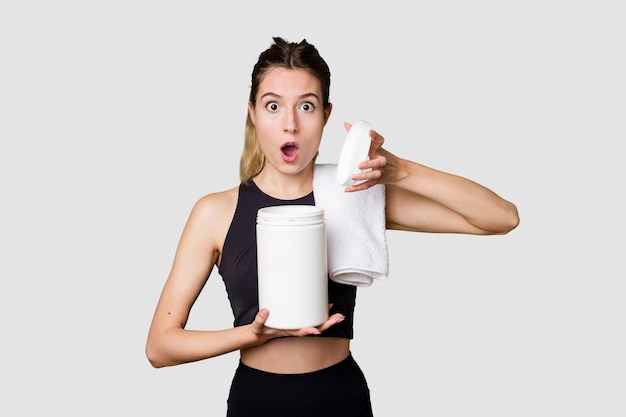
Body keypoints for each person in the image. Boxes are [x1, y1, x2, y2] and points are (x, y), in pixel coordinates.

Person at [145, 36, 519, 416]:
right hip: (256, 401)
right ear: (253, 113)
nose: (290, 125)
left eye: (306, 106)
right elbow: (160, 346)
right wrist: (252, 335)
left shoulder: (352, 195)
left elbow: (500, 218)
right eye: (273, 106)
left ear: (325, 115)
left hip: (340, 398)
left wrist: (401, 170)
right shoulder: (215, 211)